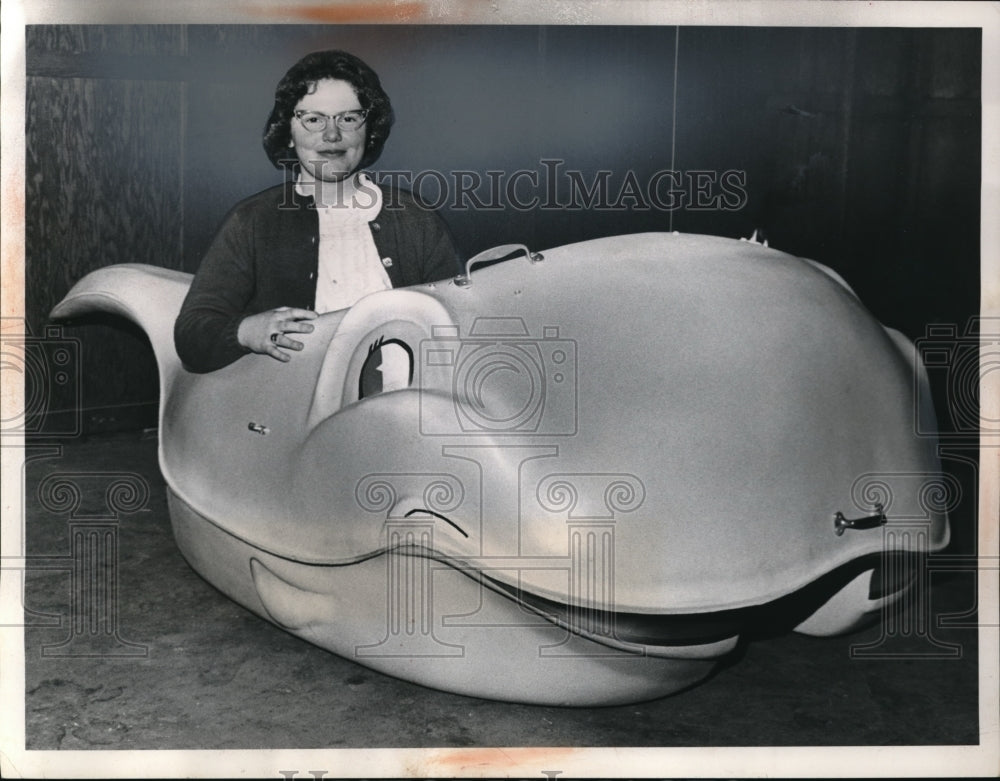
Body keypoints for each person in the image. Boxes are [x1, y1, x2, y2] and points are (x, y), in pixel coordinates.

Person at [174, 50, 461, 373]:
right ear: (289, 131)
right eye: (313, 119)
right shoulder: (252, 221)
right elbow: (191, 335)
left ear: (369, 130)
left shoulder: (415, 217)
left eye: (349, 118)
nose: (332, 135)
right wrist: (247, 331)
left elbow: (457, 321)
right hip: (293, 407)